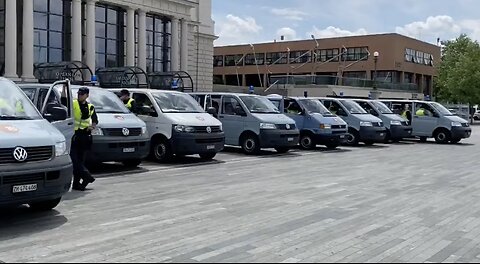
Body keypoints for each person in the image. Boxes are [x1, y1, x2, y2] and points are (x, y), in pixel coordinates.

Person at [71, 87, 98, 191]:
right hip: (75, 135)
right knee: (74, 160)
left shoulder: (90, 107)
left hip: (85, 136)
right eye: (79, 94)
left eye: (82, 94)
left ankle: (76, 184)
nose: (80, 96)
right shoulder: (74, 104)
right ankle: (87, 177)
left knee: (80, 161)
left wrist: (93, 126)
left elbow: (95, 120)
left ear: (87, 95)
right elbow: (64, 101)